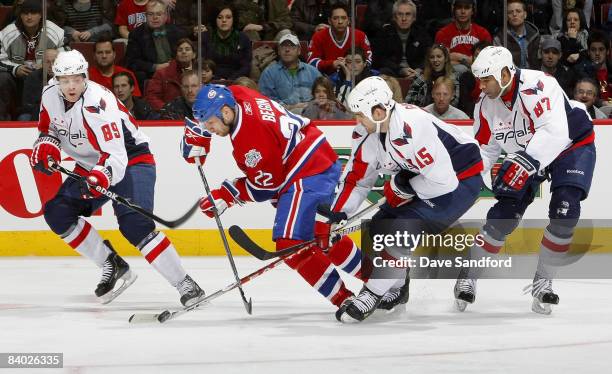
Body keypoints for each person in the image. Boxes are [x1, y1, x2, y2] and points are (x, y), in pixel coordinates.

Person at [30, 50, 201, 306]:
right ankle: (113, 264)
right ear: (57, 79)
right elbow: (49, 128)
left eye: (76, 79)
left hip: (131, 160)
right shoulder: (49, 94)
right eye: (65, 80)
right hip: (89, 163)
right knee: (57, 212)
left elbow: (116, 156)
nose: (71, 85)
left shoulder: (100, 103)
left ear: (85, 76)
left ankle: (186, 284)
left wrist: (100, 176)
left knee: (135, 226)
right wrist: (47, 145)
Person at [184, 84, 364, 309]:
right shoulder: (238, 95)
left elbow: (268, 188)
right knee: (321, 235)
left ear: (226, 113)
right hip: (314, 157)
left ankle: (345, 300)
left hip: (305, 171)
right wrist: (200, 134)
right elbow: (222, 88)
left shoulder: (251, 141)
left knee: (290, 242)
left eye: (210, 123)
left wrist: (227, 194)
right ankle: (382, 281)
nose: (210, 128)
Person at [323, 76, 484, 323]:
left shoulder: (412, 126)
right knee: (379, 227)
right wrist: (339, 214)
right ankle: (397, 289)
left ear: (378, 112)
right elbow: (358, 179)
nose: (357, 121)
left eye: (360, 114)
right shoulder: (366, 131)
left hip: (461, 179)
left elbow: (444, 182)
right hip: (424, 177)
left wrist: (406, 187)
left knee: (401, 230)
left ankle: (372, 293)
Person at [454, 46, 596, 315]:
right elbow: (485, 149)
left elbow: (554, 132)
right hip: (529, 152)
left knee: (565, 210)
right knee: (503, 216)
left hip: (570, 144)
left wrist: (524, 163)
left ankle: (543, 281)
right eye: (479, 80)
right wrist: (466, 181)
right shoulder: (485, 106)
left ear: (505, 73)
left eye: (486, 79)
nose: (481, 87)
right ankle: (469, 273)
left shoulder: (539, 84)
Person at [0, 0, 64, 120]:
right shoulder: (7, 33)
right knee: (2, 78)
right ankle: (2, 121)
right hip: (16, 78)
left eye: (33, 13)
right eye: (25, 13)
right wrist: (15, 68)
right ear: (20, 15)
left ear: (41, 15)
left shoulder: (54, 31)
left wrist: (46, 66)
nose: (29, 17)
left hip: (43, 78)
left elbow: (65, 55)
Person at [258, 33, 321, 113]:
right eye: (283, 46)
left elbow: (324, 94)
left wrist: (310, 105)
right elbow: (265, 101)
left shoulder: (313, 72)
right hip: (281, 115)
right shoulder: (269, 73)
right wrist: (291, 107)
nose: (287, 50)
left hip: (310, 114)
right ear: (279, 51)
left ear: (299, 51)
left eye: (292, 46)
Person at [307, 3, 372, 75]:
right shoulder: (318, 36)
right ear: (329, 20)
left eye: (343, 18)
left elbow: (368, 60)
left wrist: (351, 64)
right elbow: (311, 62)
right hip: (326, 80)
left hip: (356, 77)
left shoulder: (360, 36)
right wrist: (332, 64)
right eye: (335, 18)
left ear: (348, 20)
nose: (340, 22)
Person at [372, 0, 431, 79]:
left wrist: (419, 70)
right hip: (392, 73)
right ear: (394, 17)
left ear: (414, 18)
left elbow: (428, 56)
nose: (404, 18)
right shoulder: (384, 33)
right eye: (400, 14)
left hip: (416, 73)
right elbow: (379, 59)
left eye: (408, 14)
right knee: (383, 72)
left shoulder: (421, 34)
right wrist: (400, 70)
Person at [434, 0, 492, 74]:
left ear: (473, 11)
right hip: (451, 78)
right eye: (459, 7)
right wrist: (469, 60)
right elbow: (441, 62)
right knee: (461, 69)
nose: (463, 11)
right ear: (453, 10)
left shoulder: (483, 33)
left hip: (478, 75)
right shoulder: (443, 33)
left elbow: (487, 61)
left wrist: (458, 57)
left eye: (467, 8)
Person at [201, 4, 252, 80]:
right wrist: (217, 79)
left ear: (233, 19)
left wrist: (230, 80)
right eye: (220, 17)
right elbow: (202, 64)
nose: (224, 20)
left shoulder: (243, 38)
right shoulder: (205, 37)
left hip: (237, 81)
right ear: (214, 19)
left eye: (228, 17)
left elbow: (246, 67)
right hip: (210, 80)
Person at [145, 37, 196, 111]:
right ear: (176, 55)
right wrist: (167, 109)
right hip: (170, 116)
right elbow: (152, 97)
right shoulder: (162, 74)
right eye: (180, 50)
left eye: (187, 49)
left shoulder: (202, 73)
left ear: (194, 54)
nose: (183, 52)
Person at [493, 0, 540, 69]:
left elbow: (539, 61)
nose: (514, 14)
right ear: (506, 17)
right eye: (510, 12)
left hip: (533, 76)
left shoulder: (535, 34)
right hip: (511, 77)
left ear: (525, 15)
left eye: (518, 11)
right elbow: (500, 65)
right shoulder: (499, 38)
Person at [19, 48, 59, 121]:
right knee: (24, 118)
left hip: (59, 113)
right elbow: (27, 104)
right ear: (42, 64)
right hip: (37, 112)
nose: (51, 65)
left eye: (54, 61)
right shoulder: (33, 77)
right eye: (47, 62)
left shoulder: (66, 77)